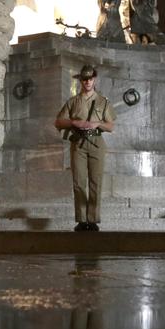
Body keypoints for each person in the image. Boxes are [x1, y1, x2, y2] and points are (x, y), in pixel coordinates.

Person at [55, 64, 116, 232]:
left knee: (96, 182)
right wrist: (74, 122)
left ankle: (93, 219)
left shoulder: (103, 102)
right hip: (78, 144)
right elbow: (58, 122)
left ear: (94, 79)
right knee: (79, 183)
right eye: (84, 79)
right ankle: (82, 220)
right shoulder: (73, 102)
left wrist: (97, 123)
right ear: (80, 80)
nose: (87, 82)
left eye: (90, 78)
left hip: (96, 143)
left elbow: (111, 127)